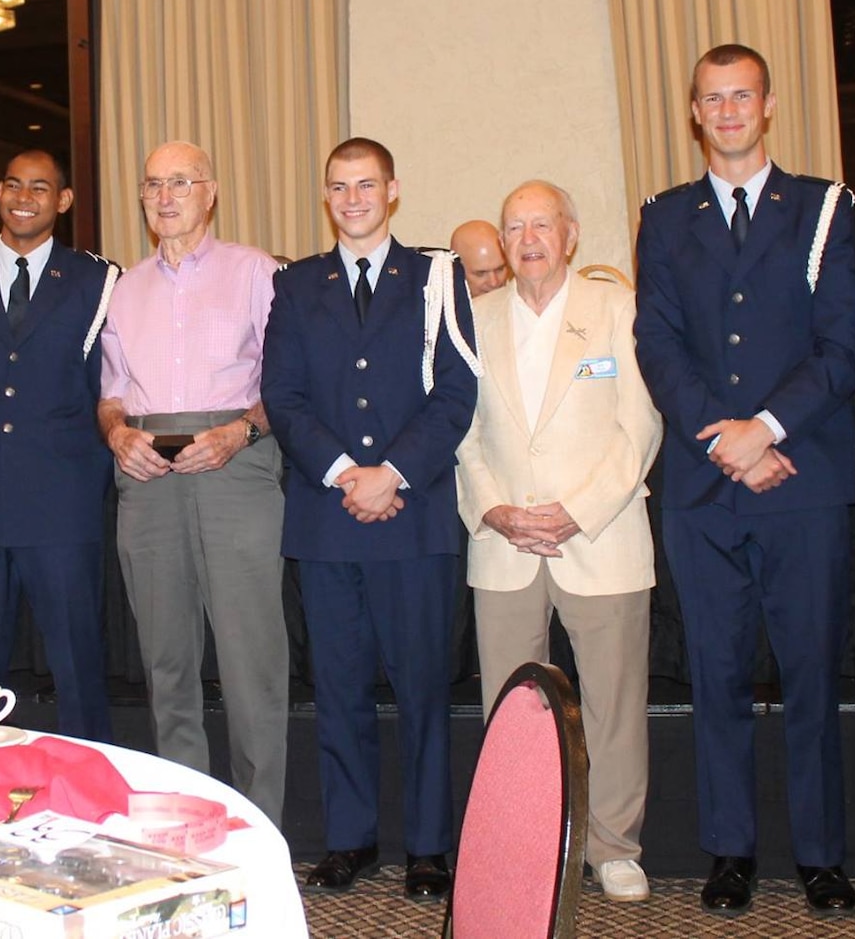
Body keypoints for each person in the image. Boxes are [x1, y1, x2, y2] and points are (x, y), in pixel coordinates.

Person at [633, 45, 855, 918]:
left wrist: (764, 428)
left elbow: (844, 346)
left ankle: (821, 854)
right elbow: (659, 341)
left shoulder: (823, 207)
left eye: (742, 96)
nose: (727, 111)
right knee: (715, 675)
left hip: (801, 476)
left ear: (768, 106)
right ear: (694, 111)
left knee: (810, 675)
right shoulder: (664, 214)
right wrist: (724, 439)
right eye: (711, 99)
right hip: (703, 484)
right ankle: (729, 849)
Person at [263, 137, 479, 902]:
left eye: (366, 184)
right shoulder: (295, 284)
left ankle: (428, 845)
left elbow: (457, 391)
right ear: (326, 196)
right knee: (340, 689)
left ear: (393, 190)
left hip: (411, 515)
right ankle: (349, 837)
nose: (353, 198)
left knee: (423, 688)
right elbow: (281, 395)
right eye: (339, 186)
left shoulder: (437, 277)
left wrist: (391, 472)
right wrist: (340, 472)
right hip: (326, 518)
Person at [454, 179, 660, 903]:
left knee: (612, 701)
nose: (529, 238)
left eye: (542, 224)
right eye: (515, 227)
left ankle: (613, 845)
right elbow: (462, 435)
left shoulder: (619, 309)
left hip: (600, 534)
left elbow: (640, 426)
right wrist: (495, 508)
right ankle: (521, 844)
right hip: (504, 541)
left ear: (571, 235)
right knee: (512, 708)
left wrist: (579, 509)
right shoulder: (472, 319)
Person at [97, 141, 287, 821]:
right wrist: (116, 433)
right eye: (153, 184)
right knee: (165, 659)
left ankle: (258, 821)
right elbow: (111, 392)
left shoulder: (256, 272)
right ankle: (186, 818)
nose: (165, 195)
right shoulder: (126, 288)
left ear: (210, 192)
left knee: (249, 655)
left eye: (181, 181)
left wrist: (240, 431)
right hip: (147, 472)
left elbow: (288, 385)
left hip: (234, 461)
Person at [0, 150, 117, 741]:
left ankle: (87, 783)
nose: (23, 196)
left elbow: (105, 386)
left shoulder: (97, 279)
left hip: (63, 499)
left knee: (77, 668)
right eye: (12, 184)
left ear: (62, 200)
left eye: (40, 187)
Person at [448, 219, 509, 298]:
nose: (494, 282)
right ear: (456, 271)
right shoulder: (435, 307)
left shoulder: (523, 305)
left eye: (500, 269)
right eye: (480, 274)